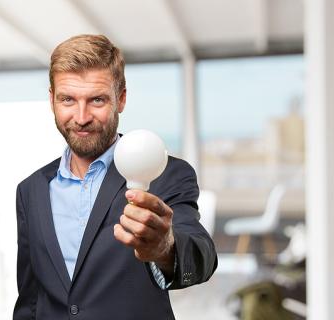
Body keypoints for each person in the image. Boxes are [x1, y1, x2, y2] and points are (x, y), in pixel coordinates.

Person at [13, 34, 218, 320]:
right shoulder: (30, 190)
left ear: (120, 98)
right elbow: (31, 299)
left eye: (97, 100)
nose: (81, 117)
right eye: (68, 100)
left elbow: (201, 255)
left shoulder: (166, 174)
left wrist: (165, 247)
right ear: (52, 99)